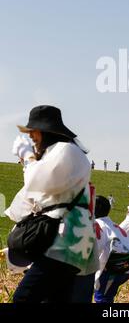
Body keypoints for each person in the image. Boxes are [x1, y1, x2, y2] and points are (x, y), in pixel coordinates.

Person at [6, 105, 98, 303]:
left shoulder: (66, 151)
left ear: (44, 130)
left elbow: (35, 182)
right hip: (71, 244)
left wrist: (28, 156)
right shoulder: (63, 153)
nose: (31, 137)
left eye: (33, 132)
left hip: (64, 243)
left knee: (24, 298)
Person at [94, 196, 129, 303]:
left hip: (113, 269)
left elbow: (96, 249)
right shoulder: (114, 225)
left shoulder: (99, 225)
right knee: (107, 296)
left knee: (101, 298)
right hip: (126, 266)